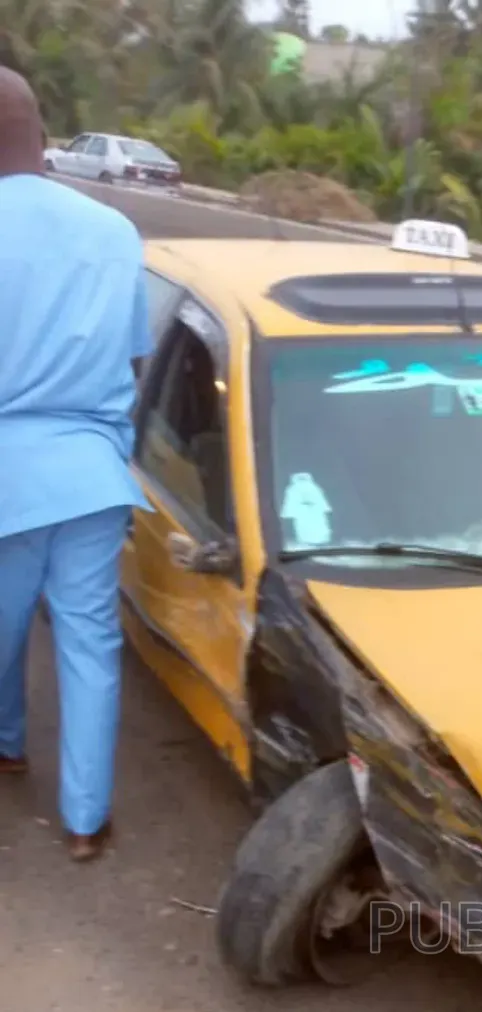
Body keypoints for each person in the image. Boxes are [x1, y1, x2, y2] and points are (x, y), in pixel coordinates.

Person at [0, 69, 152, 862]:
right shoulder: (112, 230)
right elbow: (132, 360)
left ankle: (8, 745)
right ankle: (85, 820)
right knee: (90, 644)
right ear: (41, 131)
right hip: (93, 473)